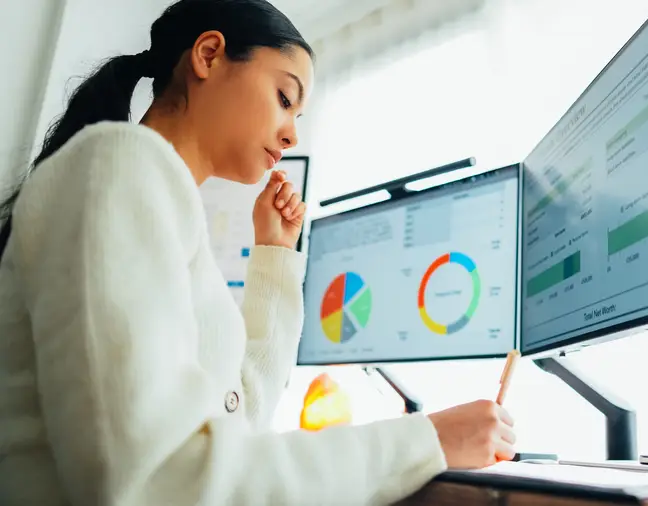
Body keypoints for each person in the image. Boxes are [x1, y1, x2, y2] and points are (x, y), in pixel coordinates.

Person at [0, 0, 516, 504]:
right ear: (208, 55)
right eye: (285, 98)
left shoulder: (161, 202)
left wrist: (274, 254)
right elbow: (158, 480)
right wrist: (426, 441)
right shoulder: (119, 164)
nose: (292, 133)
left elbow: (236, 418)